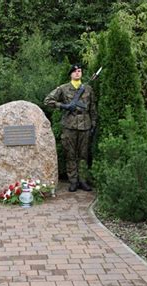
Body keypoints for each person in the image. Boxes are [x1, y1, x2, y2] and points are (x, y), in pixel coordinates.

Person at [44, 64, 97, 192]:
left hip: (85, 125)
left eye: (79, 71)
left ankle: (83, 180)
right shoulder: (63, 88)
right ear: (70, 74)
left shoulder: (88, 89)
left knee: (83, 155)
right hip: (69, 126)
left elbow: (92, 108)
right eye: (75, 71)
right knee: (70, 155)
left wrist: (93, 124)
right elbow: (47, 100)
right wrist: (63, 106)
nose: (77, 73)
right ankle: (73, 181)